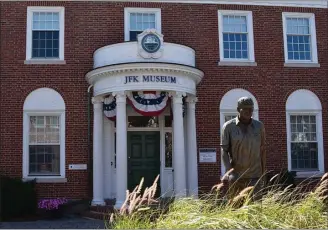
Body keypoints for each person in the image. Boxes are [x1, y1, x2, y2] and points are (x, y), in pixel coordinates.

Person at [220, 96, 266, 199]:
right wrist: (229, 172)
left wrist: (263, 173)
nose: (248, 111)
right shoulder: (228, 127)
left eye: (250, 108)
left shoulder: (259, 126)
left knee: (256, 209)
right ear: (238, 110)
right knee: (236, 209)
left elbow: (262, 150)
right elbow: (224, 150)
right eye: (244, 108)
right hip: (237, 177)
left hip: (255, 176)